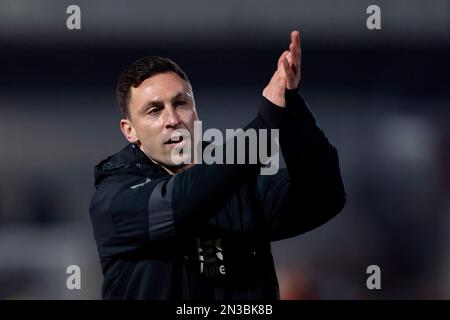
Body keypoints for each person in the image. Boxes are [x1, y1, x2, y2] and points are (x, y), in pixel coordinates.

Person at [89, 30, 346, 300]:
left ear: (195, 111)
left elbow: (325, 196)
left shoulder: (240, 184)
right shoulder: (113, 200)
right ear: (130, 131)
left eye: (181, 103)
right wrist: (264, 125)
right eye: (154, 110)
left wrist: (291, 107)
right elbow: (179, 203)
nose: (172, 119)